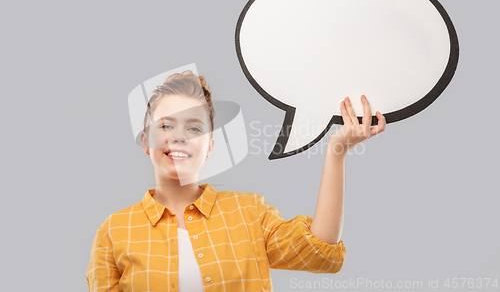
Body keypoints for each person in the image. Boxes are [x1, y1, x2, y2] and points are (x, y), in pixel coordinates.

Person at [86, 70, 386, 292]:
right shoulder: (114, 231)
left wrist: (337, 152)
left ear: (210, 147)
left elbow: (320, 251)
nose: (179, 136)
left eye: (194, 128)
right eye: (166, 125)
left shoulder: (249, 213)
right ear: (145, 141)